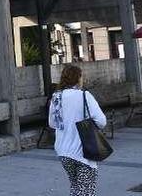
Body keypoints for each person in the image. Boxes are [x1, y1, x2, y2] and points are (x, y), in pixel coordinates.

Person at [48, 65, 106, 196]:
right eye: (81, 77)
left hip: (63, 152)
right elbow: (102, 122)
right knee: (86, 192)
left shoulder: (56, 97)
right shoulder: (84, 96)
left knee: (76, 188)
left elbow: (52, 124)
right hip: (83, 152)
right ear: (78, 78)